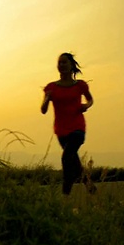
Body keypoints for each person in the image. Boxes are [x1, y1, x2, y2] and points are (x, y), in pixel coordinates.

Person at [40, 53, 94, 195]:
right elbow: (43, 110)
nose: (62, 65)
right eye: (59, 63)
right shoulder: (51, 87)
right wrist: (47, 99)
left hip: (77, 128)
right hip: (61, 130)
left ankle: (65, 193)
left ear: (71, 65)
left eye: (64, 62)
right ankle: (90, 187)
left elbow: (90, 100)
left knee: (66, 158)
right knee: (75, 162)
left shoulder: (80, 85)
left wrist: (86, 106)